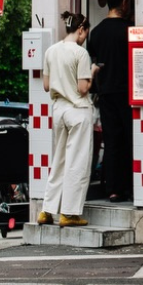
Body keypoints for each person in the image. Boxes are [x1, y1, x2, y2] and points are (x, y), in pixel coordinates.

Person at [37, 12, 98, 227]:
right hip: (78, 110)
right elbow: (82, 89)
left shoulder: (51, 51)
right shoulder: (81, 54)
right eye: (85, 33)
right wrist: (92, 72)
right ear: (80, 29)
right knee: (77, 162)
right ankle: (69, 213)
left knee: (59, 160)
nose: (85, 37)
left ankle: (47, 209)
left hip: (58, 109)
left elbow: (46, 85)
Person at [88, 0, 134, 202]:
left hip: (106, 94)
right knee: (130, 139)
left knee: (112, 141)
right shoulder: (130, 31)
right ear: (124, 2)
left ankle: (112, 188)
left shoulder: (96, 33)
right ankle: (132, 187)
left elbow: (93, 62)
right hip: (129, 93)